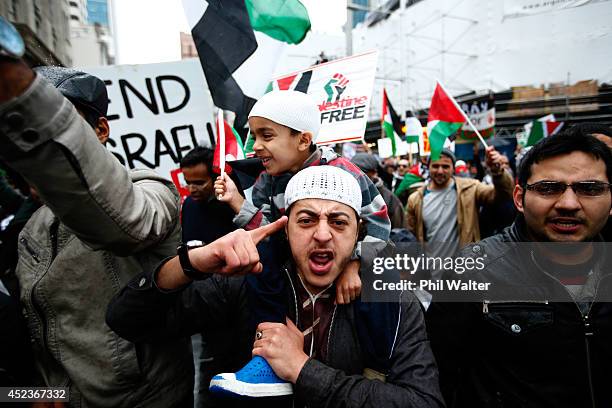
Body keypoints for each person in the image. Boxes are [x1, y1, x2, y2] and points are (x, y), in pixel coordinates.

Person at [107, 165, 444, 408]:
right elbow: (127, 319)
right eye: (307, 220)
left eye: (339, 222)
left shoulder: (391, 301)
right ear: (286, 230)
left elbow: (423, 400)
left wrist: (301, 369)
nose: (323, 234)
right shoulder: (248, 282)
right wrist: (192, 262)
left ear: (357, 234)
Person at [0, 57, 192, 405]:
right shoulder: (32, 228)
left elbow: (125, 223)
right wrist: (32, 393)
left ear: (101, 130)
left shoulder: (153, 190)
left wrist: (27, 100)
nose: (38, 141)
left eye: (58, 124)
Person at [212, 90, 391, 395]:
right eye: (254, 136)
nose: (256, 146)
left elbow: (381, 223)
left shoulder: (344, 173)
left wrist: (356, 263)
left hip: (353, 268)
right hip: (291, 276)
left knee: (380, 282)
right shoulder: (267, 181)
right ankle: (268, 357)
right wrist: (236, 202)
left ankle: (376, 370)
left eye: (266, 135)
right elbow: (268, 231)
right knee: (261, 259)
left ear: (303, 140)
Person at [427, 129, 612, 407]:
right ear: (519, 198)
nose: (569, 204)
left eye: (590, 189)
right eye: (549, 188)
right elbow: (439, 375)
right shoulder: (472, 270)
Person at [406, 147, 513, 270]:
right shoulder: (415, 199)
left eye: (445, 167)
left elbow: (504, 194)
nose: (440, 171)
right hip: (432, 271)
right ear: (428, 167)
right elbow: (412, 238)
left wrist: (497, 172)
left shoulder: (470, 188)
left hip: (466, 269)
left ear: (453, 168)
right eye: (435, 166)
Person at [351, 153, 404, 228]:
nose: (355, 176)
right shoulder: (345, 196)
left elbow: (399, 234)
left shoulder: (389, 199)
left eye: (361, 172)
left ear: (374, 173)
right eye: (351, 171)